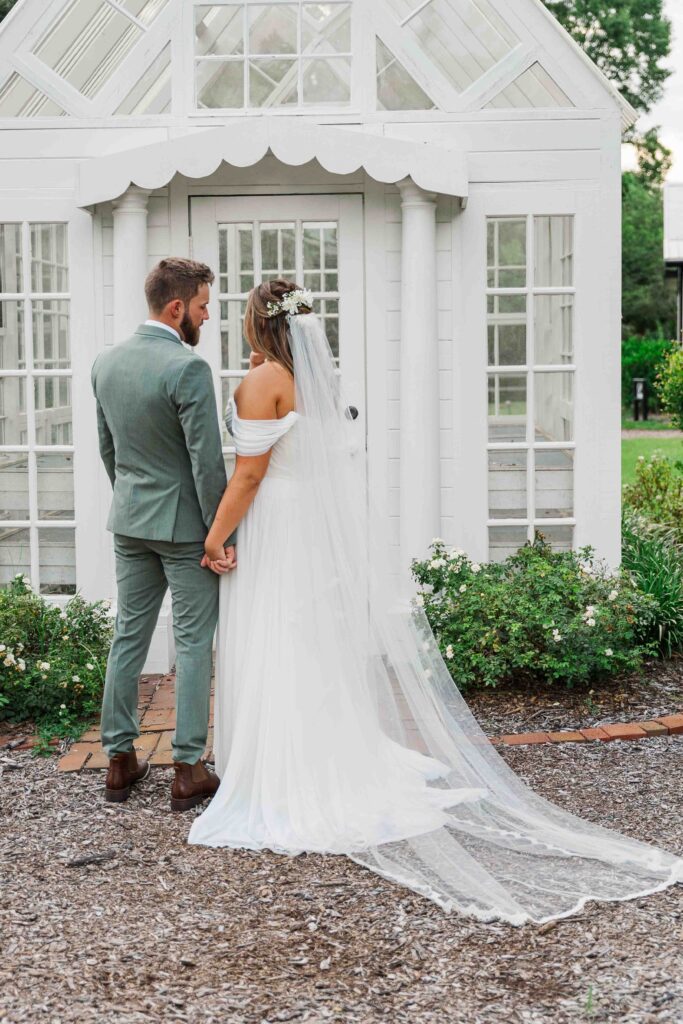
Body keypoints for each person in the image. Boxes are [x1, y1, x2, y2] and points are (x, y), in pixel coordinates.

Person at [187, 278, 683, 925]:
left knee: (277, 638)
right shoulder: (313, 381)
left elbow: (249, 473)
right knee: (307, 641)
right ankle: (319, 751)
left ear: (256, 323)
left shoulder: (260, 382)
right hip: (308, 527)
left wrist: (215, 536)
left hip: (276, 526)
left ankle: (282, 772)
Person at [92, 258, 235, 811]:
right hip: (183, 528)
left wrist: (133, 500)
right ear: (177, 308)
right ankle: (188, 767)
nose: (205, 315)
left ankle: (119, 760)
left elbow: (110, 451)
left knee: (129, 633)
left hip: (129, 520)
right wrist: (217, 534)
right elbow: (206, 464)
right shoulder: (188, 368)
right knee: (195, 641)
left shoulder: (106, 362)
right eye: (202, 306)